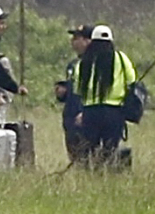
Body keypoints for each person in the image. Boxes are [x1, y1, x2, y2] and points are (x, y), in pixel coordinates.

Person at [74, 25, 136, 167]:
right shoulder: (121, 58)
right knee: (111, 147)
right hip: (114, 111)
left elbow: (77, 89)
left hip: (90, 112)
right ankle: (109, 172)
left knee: (91, 147)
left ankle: (94, 173)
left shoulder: (84, 63)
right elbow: (132, 81)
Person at [55, 25, 91, 162]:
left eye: (77, 38)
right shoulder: (73, 64)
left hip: (83, 115)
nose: (73, 42)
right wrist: (62, 92)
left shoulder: (94, 64)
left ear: (88, 41)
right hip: (70, 116)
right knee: (74, 155)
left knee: (88, 155)